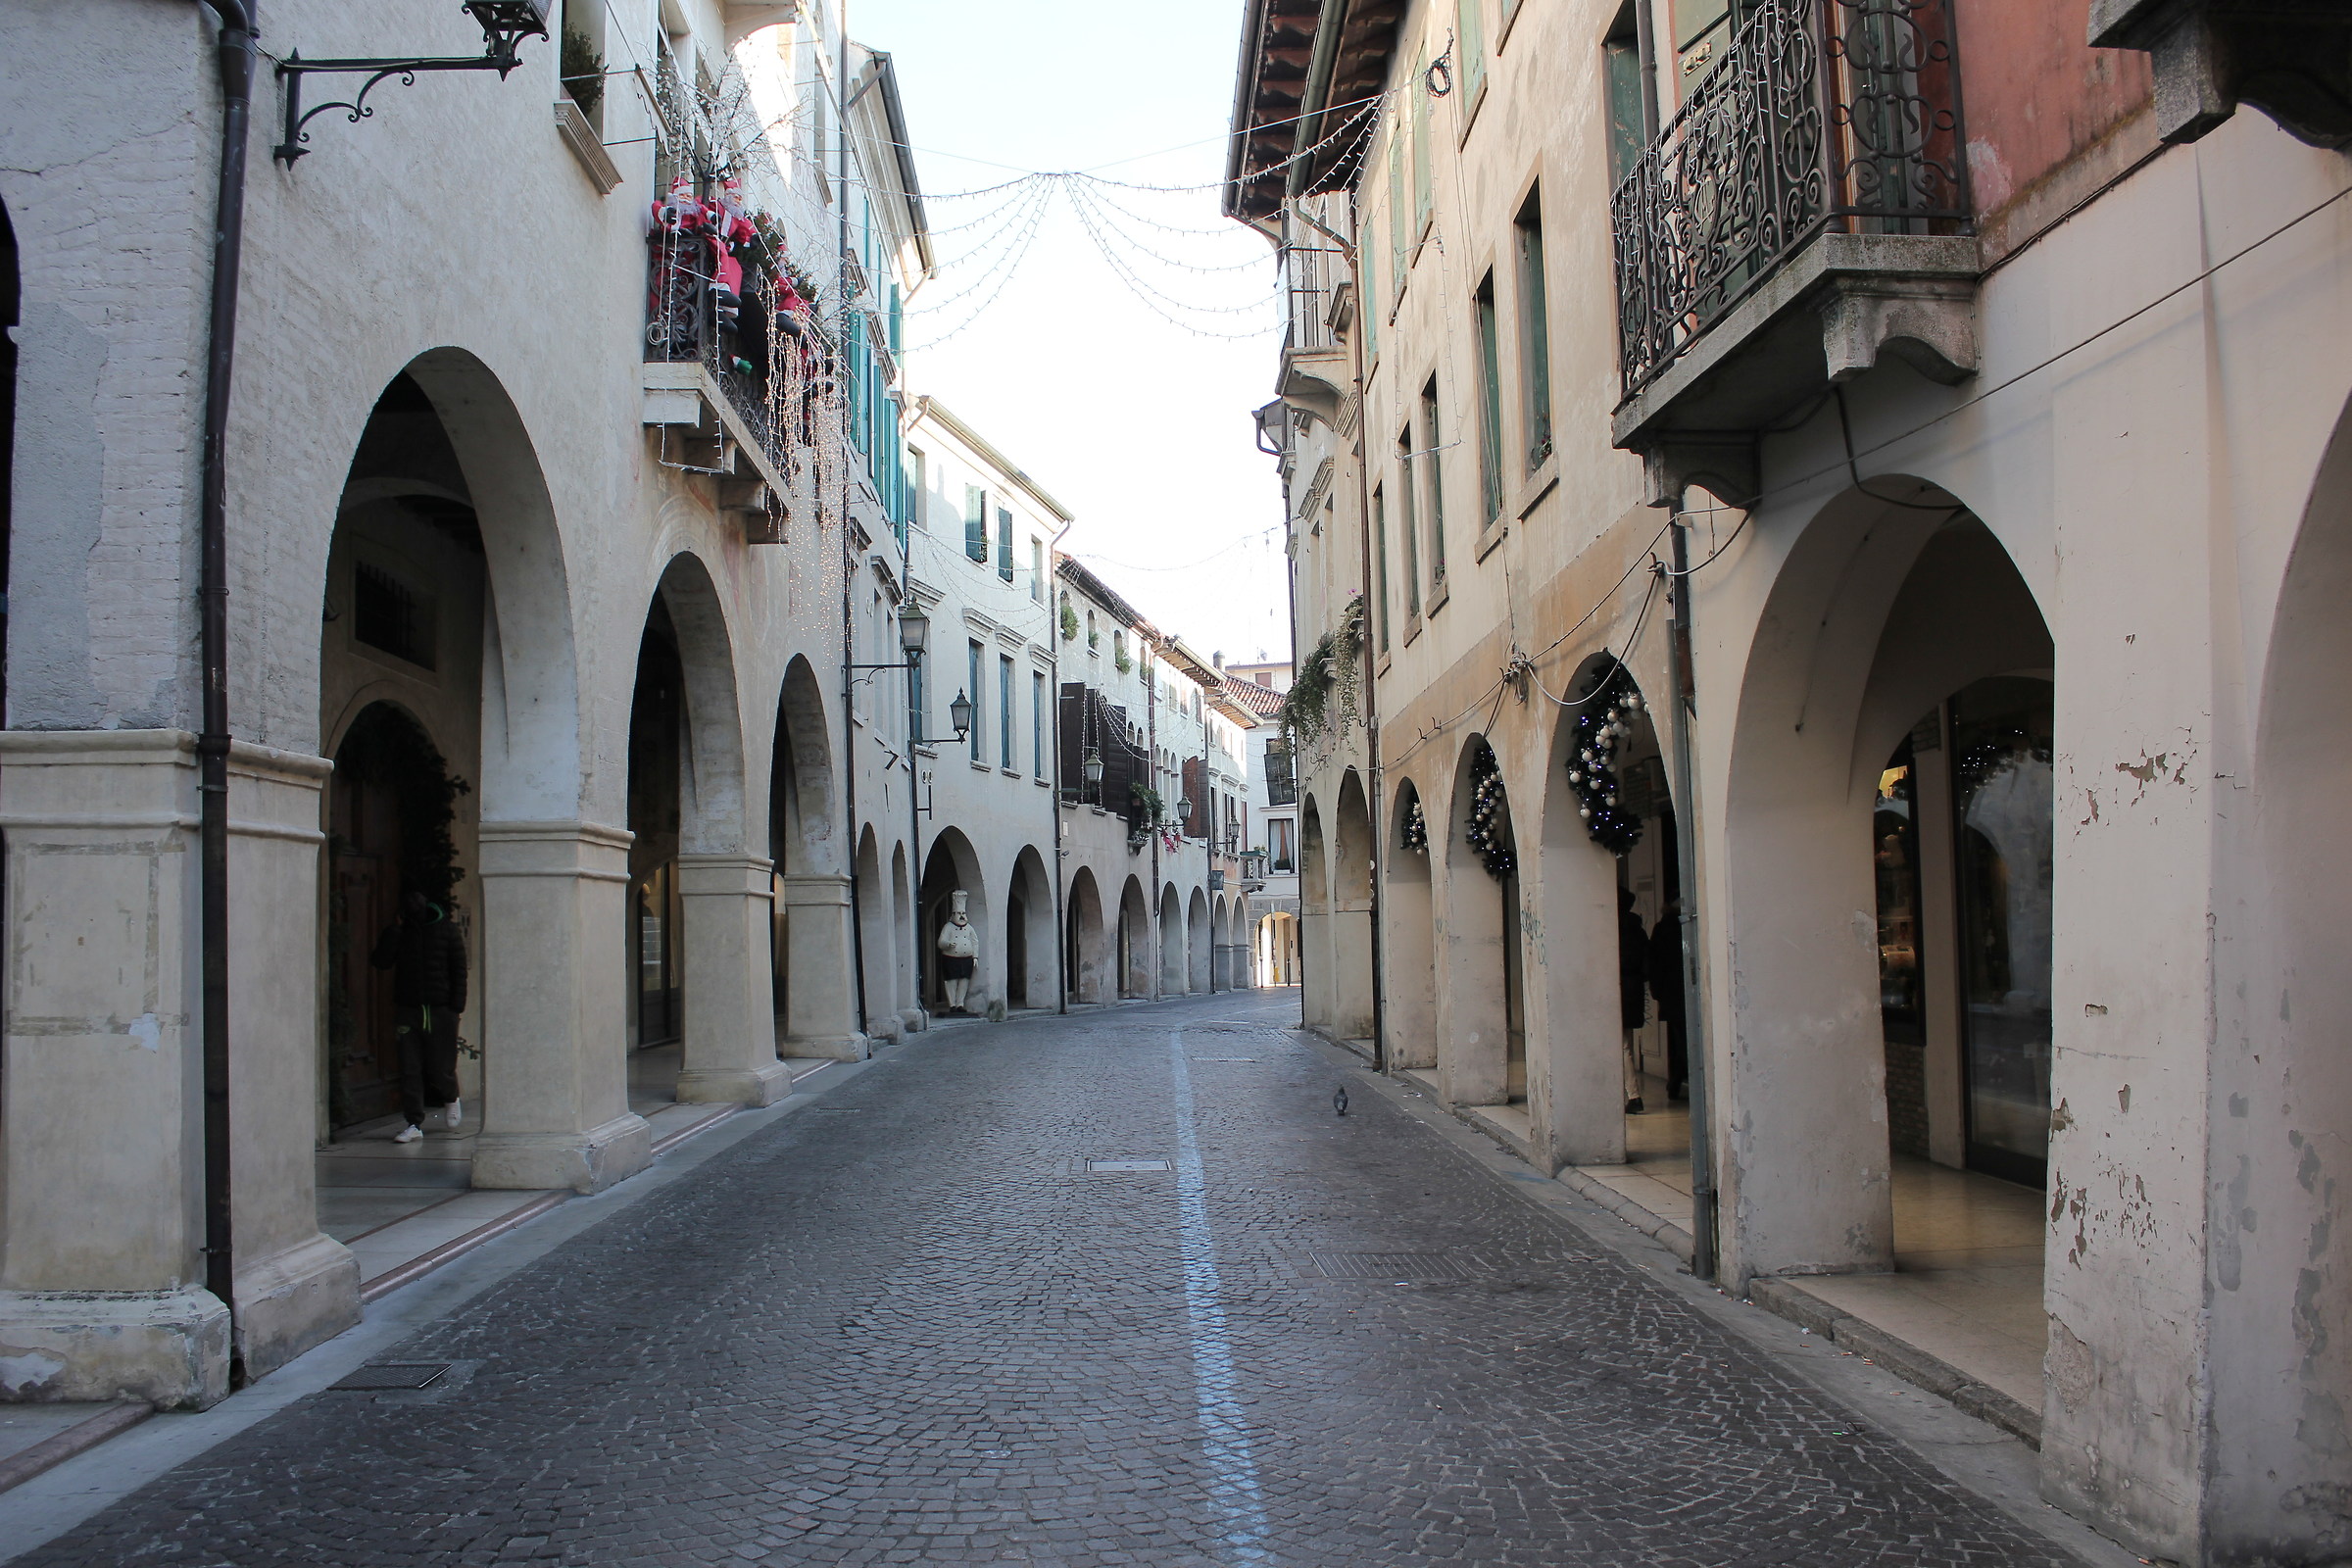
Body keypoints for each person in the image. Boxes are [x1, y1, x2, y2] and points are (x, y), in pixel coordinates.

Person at [371, 891, 467, 1144]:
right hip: (408, 1009)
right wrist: (395, 931)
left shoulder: (447, 931)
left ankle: (451, 1096)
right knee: (410, 1067)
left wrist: (455, 1007)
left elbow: (459, 969)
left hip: (441, 1011)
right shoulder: (402, 933)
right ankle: (413, 1123)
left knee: (440, 1067)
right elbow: (381, 961)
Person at [1648, 900, 1689, 1102]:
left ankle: (1675, 1082)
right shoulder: (1684, 927)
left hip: (1671, 994)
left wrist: (1657, 991)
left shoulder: (1662, 928)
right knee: (1684, 1041)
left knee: (1678, 1039)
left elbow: (1654, 963)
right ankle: (1678, 1081)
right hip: (1684, 992)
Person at [1618, 885, 1649, 1114]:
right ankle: (1631, 1095)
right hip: (1633, 990)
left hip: (1616, 990)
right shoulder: (1637, 930)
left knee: (1622, 1046)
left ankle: (1633, 1095)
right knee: (1624, 1044)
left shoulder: (1611, 929)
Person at [936, 889, 979, 1013]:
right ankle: (952, 1004)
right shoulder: (948, 927)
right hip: (951, 958)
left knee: (964, 982)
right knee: (951, 981)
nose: (961, 916)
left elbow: (975, 942)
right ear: (953, 914)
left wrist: (975, 957)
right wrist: (948, 944)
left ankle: (960, 1003)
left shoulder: (969, 928)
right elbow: (940, 942)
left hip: (966, 959)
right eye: (959, 913)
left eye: (963, 913)